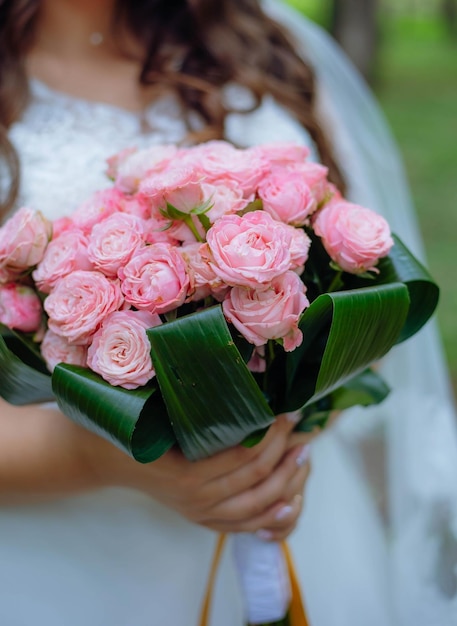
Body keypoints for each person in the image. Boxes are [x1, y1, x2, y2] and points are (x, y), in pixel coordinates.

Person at [1, 1, 456, 625]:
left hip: (295, 513)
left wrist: (288, 406)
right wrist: (90, 456)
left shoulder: (262, 44)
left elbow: (355, 270)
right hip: (69, 566)